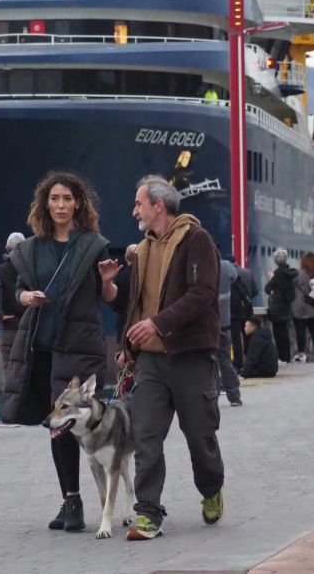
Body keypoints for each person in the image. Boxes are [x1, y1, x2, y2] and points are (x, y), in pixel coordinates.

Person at [2, 171, 120, 534]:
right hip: (43, 347)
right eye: (54, 199)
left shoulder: (94, 245)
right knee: (57, 427)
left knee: (77, 425)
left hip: (80, 346)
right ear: (45, 203)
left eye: (67, 199)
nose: (61, 205)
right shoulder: (31, 248)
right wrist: (26, 298)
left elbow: (109, 298)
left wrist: (107, 282)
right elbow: (18, 292)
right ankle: (72, 499)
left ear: (79, 203)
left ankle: (105, 499)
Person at [119, 175, 224, 541]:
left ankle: (211, 487)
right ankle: (148, 513)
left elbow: (202, 295)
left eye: (138, 203)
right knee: (146, 436)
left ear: (157, 206)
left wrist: (158, 325)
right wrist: (127, 347)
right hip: (150, 361)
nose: (134, 210)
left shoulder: (197, 240)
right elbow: (136, 307)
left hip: (191, 356)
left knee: (200, 436)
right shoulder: (143, 250)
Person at [0, 232, 26, 374]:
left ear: (7, 248)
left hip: (10, 328)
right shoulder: (33, 269)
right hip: (31, 328)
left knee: (10, 370)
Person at [215, 258, 242, 406]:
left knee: (207, 362)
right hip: (224, 322)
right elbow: (235, 276)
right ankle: (234, 395)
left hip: (207, 324)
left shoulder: (201, 265)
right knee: (225, 360)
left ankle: (212, 395)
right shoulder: (226, 266)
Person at [290, 252, 314, 363]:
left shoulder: (299, 274)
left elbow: (292, 287)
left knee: (300, 331)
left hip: (300, 307)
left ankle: (302, 354)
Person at [263, 250, 297, 363]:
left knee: (278, 334)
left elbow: (267, 289)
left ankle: (282, 357)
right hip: (287, 307)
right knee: (285, 334)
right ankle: (287, 356)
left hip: (277, 308)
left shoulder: (278, 275)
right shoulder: (291, 273)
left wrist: (271, 278)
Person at [228, 261, 258, 372]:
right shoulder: (248, 273)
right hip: (247, 310)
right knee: (248, 337)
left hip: (234, 312)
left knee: (236, 340)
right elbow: (255, 291)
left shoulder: (228, 274)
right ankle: (250, 361)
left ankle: (238, 363)